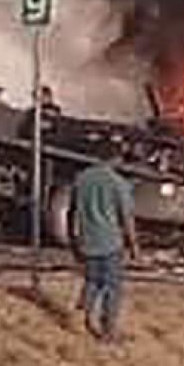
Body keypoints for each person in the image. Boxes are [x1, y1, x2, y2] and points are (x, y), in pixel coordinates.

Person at [68, 137, 139, 343]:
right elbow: (126, 218)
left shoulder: (81, 179)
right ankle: (108, 331)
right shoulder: (118, 183)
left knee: (92, 281)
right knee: (112, 287)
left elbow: (71, 213)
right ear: (115, 158)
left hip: (87, 240)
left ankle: (81, 317)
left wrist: (74, 239)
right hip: (110, 243)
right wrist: (134, 246)